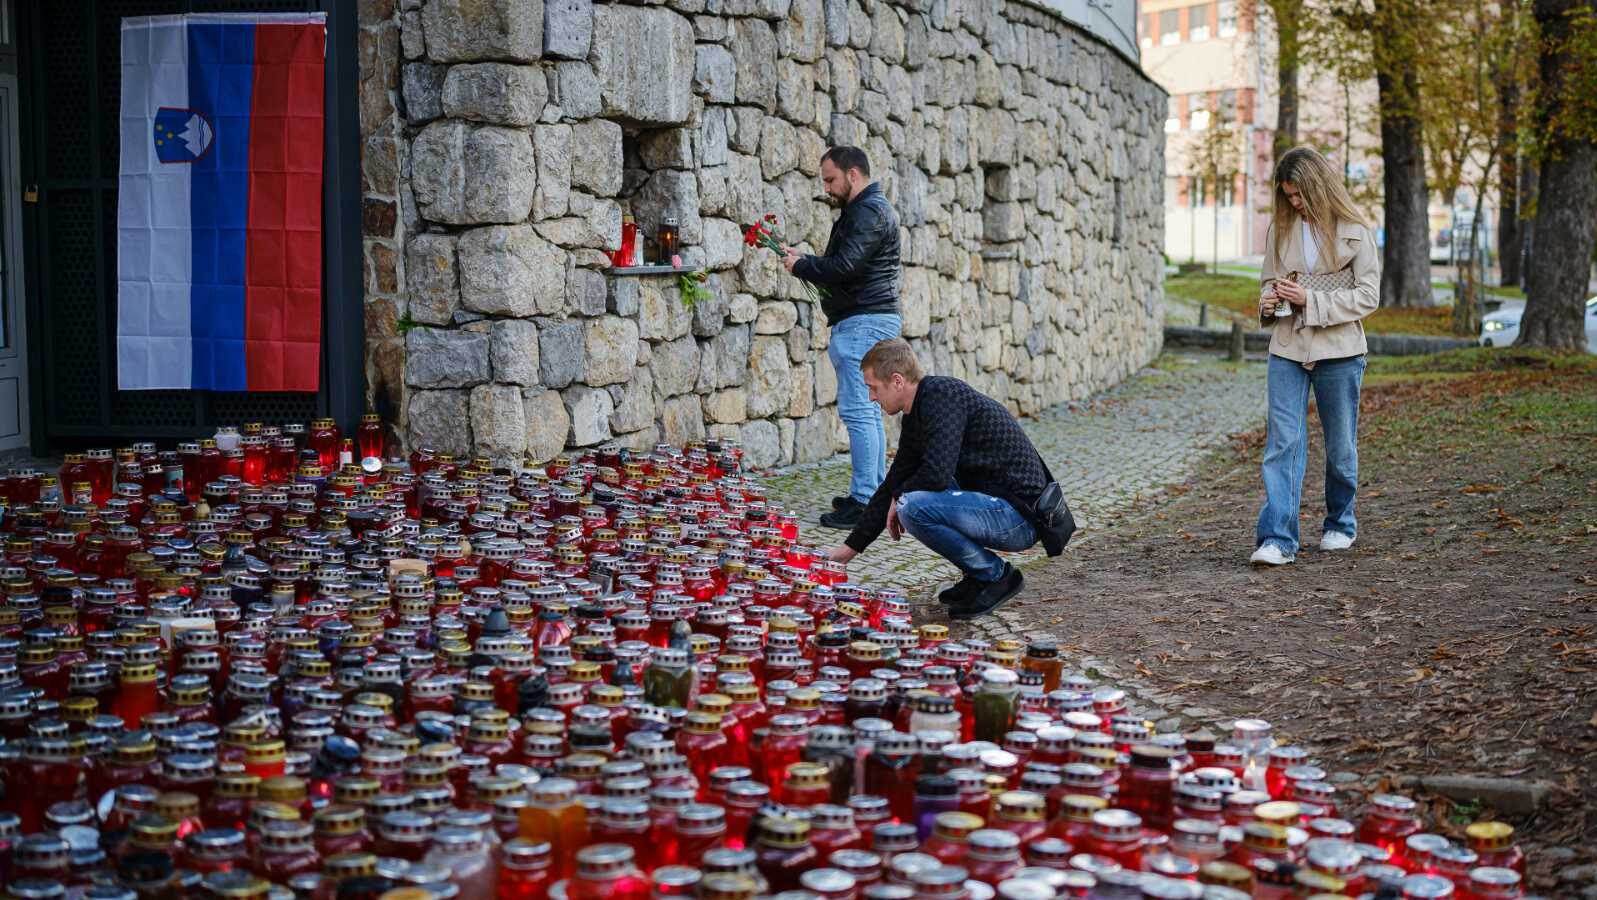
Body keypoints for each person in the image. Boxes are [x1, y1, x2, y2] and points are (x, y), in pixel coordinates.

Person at [822, 338, 1068, 620]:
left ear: (897, 381)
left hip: (1022, 517)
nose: (871, 398)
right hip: (997, 506)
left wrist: (899, 496)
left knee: (912, 506)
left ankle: (996, 576)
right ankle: (977, 576)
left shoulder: (941, 396)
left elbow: (937, 474)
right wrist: (848, 550)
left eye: (873, 388)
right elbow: (894, 481)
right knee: (906, 495)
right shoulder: (918, 412)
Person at [1251, 146, 1380, 566]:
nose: (1295, 204)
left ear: (1318, 186)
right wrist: (1269, 303)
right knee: (1282, 441)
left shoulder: (1356, 230)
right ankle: (1277, 538)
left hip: (1339, 349)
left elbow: (1368, 296)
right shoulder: (1281, 230)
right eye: (1288, 196)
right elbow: (1270, 282)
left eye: (1299, 195)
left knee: (1340, 446)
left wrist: (1311, 298)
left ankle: (1340, 523)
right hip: (1287, 347)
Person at [782, 146, 902, 530]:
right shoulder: (868, 209)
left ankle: (867, 500)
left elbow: (846, 265)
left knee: (859, 411)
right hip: (869, 317)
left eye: (831, 179)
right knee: (866, 412)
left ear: (853, 174)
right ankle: (872, 494)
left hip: (864, 320)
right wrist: (807, 261)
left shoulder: (867, 210)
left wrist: (803, 264)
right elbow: (850, 262)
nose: (828, 188)